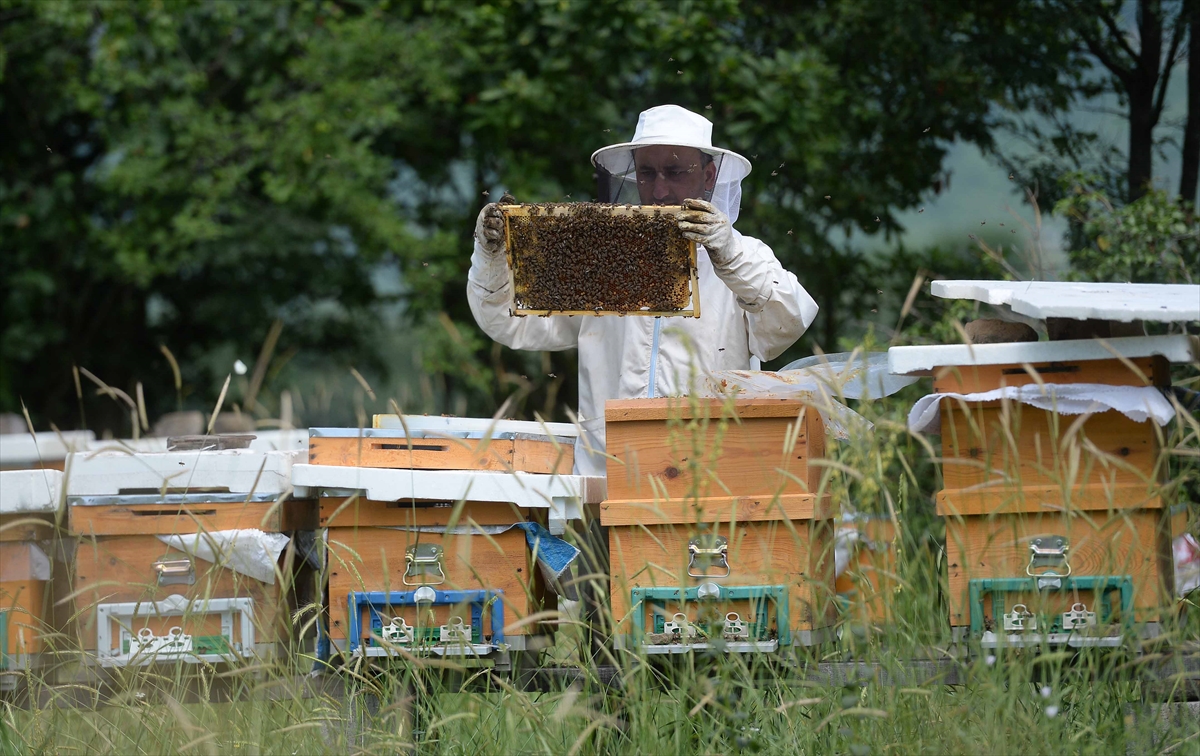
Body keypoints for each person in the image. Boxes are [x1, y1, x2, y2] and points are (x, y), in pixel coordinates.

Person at [467, 104, 818, 475]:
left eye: (675, 172)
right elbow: (510, 322)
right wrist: (492, 259)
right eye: (647, 173)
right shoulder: (600, 259)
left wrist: (730, 257)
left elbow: (788, 322)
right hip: (609, 470)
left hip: (709, 474)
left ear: (708, 175)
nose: (660, 189)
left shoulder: (745, 255)